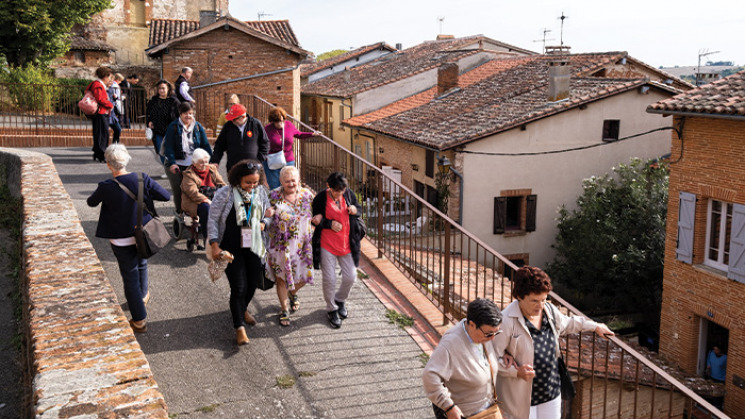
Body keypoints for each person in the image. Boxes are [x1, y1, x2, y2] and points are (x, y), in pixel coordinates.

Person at [492, 266, 614, 419]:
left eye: (543, 299)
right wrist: (515, 372)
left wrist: (595, 326)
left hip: (551, 390)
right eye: (534, 301)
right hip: (522, 397)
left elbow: (568, 323)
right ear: (520, 297)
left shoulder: (549, 310)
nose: (540, 305)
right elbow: (491, 358)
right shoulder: (506, 320)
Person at [87, 144, 171, 333]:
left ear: (109, 165)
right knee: (142, 262)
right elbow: (165, 196)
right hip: (143, 234)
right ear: (127, 160)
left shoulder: (106, 186)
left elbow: (91, 202)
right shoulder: (142, 178)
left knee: (129, 276)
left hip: (120, 239)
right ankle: (142, 296)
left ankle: (139, 320)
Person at [207, 160, 273, 345]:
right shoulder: (225, 193)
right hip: (231, 247)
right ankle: (239, 327)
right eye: (248, 183)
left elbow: (268, 214)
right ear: (238, 180)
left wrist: (263, 224)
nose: (252, 186)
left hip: (254, 245)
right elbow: (212, 220)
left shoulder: (261, 192)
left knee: (253, 282)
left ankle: (242, 308)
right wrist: (214, 245)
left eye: (255, 182)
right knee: (239, 286)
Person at [423, 298, 503, 419]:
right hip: (466, 414)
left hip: (489, 411)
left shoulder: (483, 337)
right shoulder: (451, 344)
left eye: (496, 333)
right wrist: (449, 407)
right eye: (489, 334)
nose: (492, 338)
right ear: (472, 324)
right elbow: (429, 376)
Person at [311, 172, 363, 329]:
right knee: (330, 279)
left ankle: (340, 299)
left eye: (342, 190)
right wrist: (329, 224)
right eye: (336, 191)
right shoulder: (320, 198)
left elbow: (359, 210)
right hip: (327, 244)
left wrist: (354, 209)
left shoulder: (348, 194)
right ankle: (331, 309)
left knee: (351, 276)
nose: (339, 193)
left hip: (346, 244)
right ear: (329, 186)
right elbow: (316, 219)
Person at [266, 166, 315, 327]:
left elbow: (321, 209)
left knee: (305, 277)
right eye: (287, 181)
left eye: (293, 180)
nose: (291, 183)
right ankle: (284, 309)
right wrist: (268, 214)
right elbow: (263, 213)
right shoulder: (273, 195)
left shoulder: (307, 195)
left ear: (298, 180)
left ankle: (292, 292)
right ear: (281, 181)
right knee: (281, 280)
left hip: (303, 245)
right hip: (281, 246)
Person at [162, 101, 212, 214]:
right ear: (180, 114)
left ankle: (193, 212)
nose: (188, 116)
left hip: (193, 164)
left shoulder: (198, 127)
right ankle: (180, 212)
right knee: (179, 190)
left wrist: (212, 161)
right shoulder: (173, 127)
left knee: (196, 189)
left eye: (190, 113)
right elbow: (168, 147)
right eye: (185, 113)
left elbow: (205, 145)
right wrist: (172, 163)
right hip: (176, 164)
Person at [263, 106, 320, 189]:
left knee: (290, 184)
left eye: (281, 121)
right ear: (272, 121)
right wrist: (264, 156)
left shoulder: (289, 125)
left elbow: (299, 134)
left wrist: (312, 134)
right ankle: (275, 201)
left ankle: (289, 201)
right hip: (272, 160)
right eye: (277, 122)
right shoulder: (267, 129)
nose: (280, 123)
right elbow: (261, 143)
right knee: (275, 186)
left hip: (288, 160)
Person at [181, 148, 226, 246]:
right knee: (207, 208)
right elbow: (192, 193)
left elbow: (221, 184)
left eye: (206, 162)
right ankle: (208, 237)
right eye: (201, 163)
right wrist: (206, 200)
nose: (204, 165)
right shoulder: (188, 174)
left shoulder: (211, 169)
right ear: (194, 162)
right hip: (195, 201)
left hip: (213, 197)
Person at [210, 103, 269, 172]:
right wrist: (215, 161)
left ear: (243, 117)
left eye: (234, 119)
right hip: (233, 168)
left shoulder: (255, 124)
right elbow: (219, 145)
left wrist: (258, 160)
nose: (232, 121)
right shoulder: (228, 126)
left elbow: (265, 143)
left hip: (253, 168)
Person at [146, 79, 180, 164]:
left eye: (163, 88)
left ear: (168, 88)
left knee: (170, 150)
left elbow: (179, 115)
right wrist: (149, 121)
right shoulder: (154, 100)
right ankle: (167, 168)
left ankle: (172, 167)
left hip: (171, 130)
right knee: (160, 150)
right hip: (158, 130)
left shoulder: (174, 101)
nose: (161, 90)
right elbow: (148, 113)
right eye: (159, 88)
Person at [87, 66, 114, 162]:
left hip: (101, 112)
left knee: (101, 133)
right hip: (100, 112)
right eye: (109, 77)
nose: (110, 79)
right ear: (105, 76)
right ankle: (101, 154)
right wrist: (110, 105)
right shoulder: (97, 84)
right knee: (102, 134)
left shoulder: (98, 84)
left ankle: (98, 153)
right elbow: (100, 99)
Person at [107, 73, 124, 144]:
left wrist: (115, 98)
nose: (112, 81)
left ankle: (115, 145)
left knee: (118, 129)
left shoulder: (111, 88)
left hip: (111, 112)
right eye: (110, 80)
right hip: (105, 112)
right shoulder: (107, 88)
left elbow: (112, 99)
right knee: (103, 132)